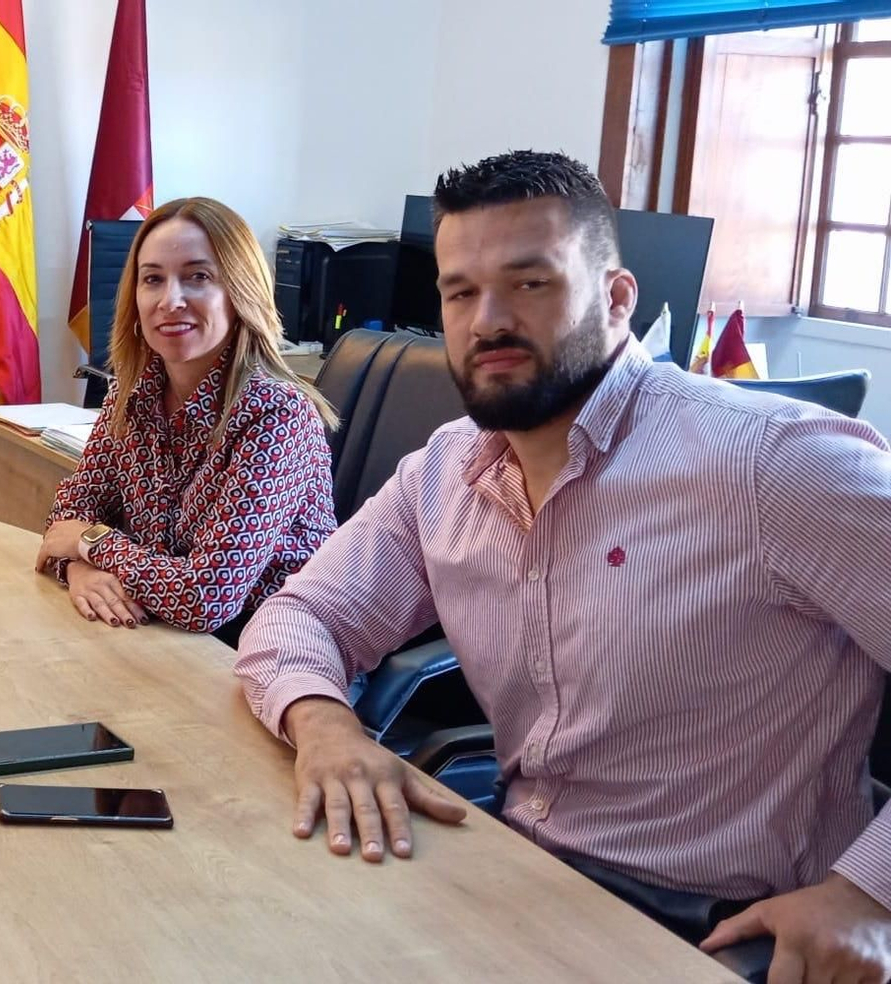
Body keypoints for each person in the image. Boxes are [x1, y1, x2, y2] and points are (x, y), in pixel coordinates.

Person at [233, 150, 891, 982]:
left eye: (531, 282)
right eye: (460, 292)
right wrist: (326, 726)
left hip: (722, 936)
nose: (488, 320)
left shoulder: (772, 466)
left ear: (616, 298)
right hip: (519, 882)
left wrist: (870, 895)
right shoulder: (446, 472)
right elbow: (301, 617)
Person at [34, 197, 337, 643]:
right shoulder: (130, 395)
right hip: (159, 633)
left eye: (198, 277)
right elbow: (66, 519)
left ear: (239, 291)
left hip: (271, 654)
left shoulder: (277, 415)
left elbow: (205, 597)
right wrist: (79, 569)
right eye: (152, 279)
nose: (170, 300)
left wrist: (91, 543)